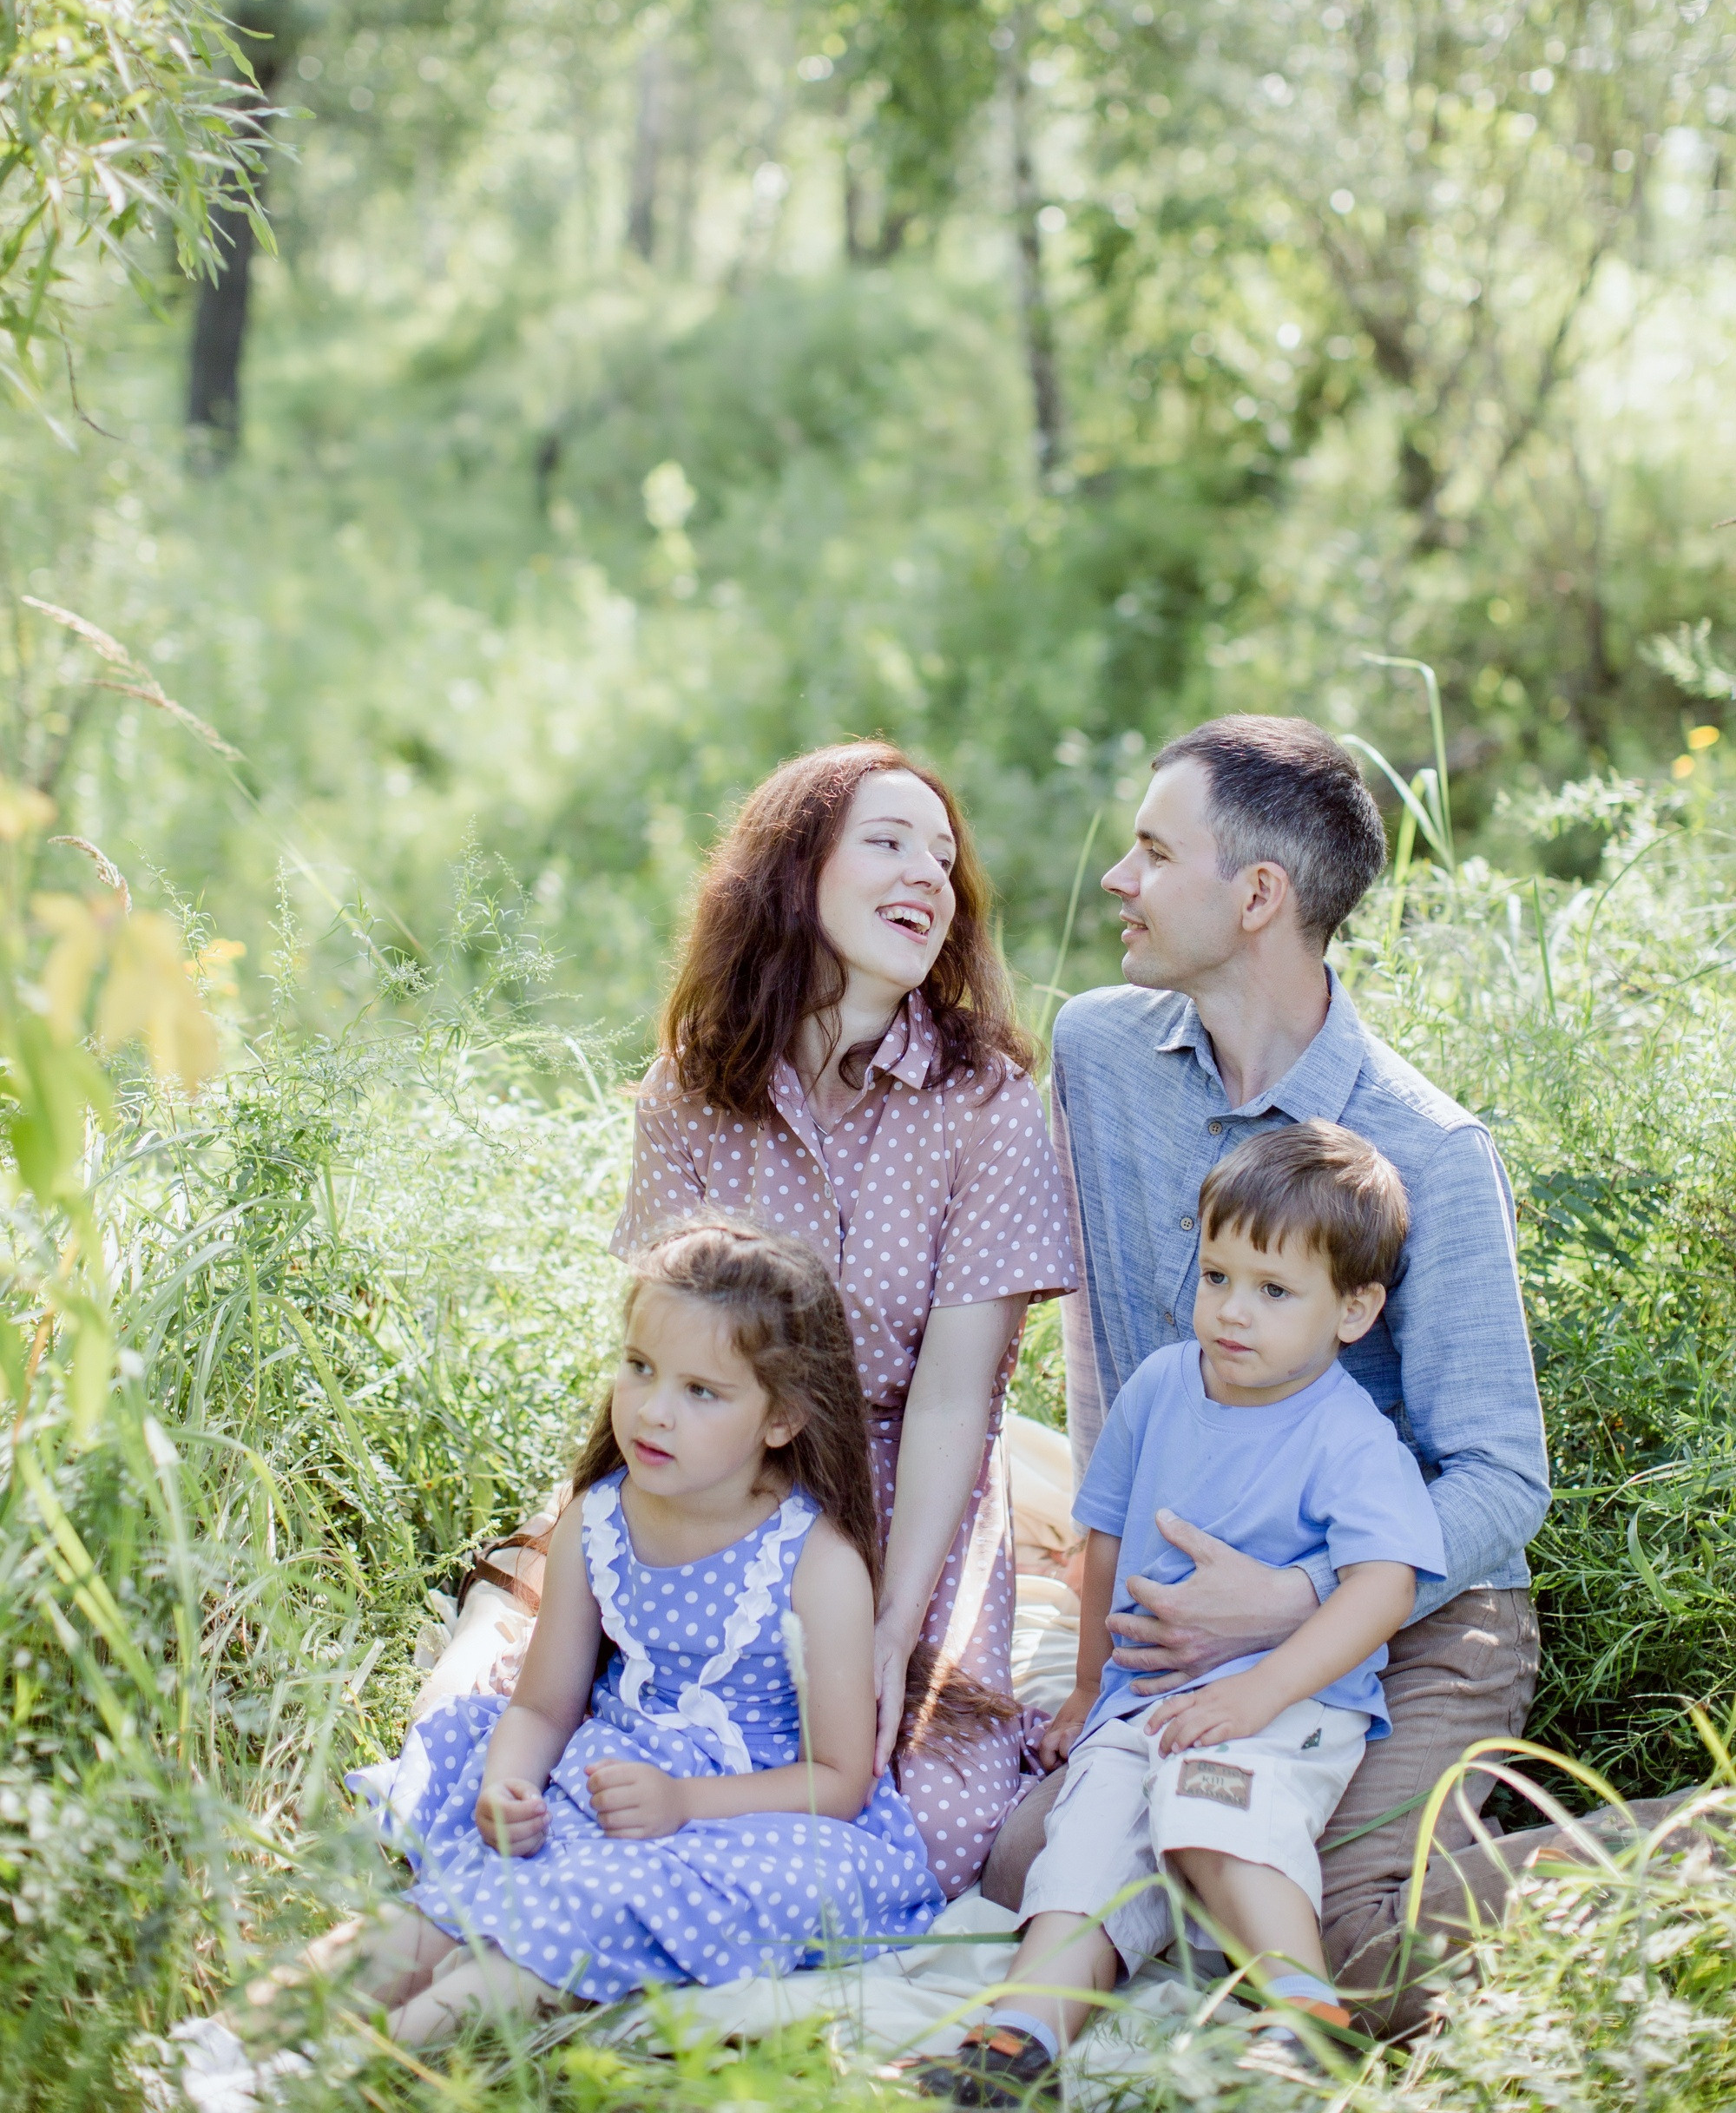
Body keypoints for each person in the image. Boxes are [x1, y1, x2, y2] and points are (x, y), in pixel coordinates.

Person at [983, 715, 1555, 2035]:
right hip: (1187, 1614)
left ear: (1257, 897)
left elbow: (1501, 1477)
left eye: (1149, 849)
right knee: (1028, 1873)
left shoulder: (1427, 1151)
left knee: (1354, 1949)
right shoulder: (1102, 1053)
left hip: (1405, 1609)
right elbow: (1111, 1358)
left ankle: (1688, 1864)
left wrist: (1296, 1602)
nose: (1118, 880)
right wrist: (1115, 1616)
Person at [470, 741, 1075, 1898]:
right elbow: (663, 1349)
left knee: (922, 1826)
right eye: (889, 843)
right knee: (573, 1746)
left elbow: (957, 1394)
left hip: (909, 1491)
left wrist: (895, 1629)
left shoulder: (985, 1097)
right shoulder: (696, 1084)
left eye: (945, 859)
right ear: (796, 873)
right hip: (721, 1475)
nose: (929, 878)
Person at [286, 1221, 945, 2047]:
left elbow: (840, 1780)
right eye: (640, 1368)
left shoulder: (815, 1560)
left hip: (758, 1824)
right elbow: (542, 1706)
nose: (653, 1411)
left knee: (546, 1935)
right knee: (443, 1918)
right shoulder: (597, 1519)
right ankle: (229, 2046)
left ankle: (330, 2071)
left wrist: (684, 1804)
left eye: (702, 1391)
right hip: (609, 1784)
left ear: (780, 1420)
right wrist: (507, 1783)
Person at [907, 1121, 1443, 2105]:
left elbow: (1384, 1586)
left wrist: (1256, 1698)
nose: (1232, 1312)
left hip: (1277, 1707)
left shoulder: (1347, 1436)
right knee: (1084, 1843)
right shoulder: (1159, 1385)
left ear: (1353, 1309)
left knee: (1207, 1808)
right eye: (1215, 1277)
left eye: (1273, 1292)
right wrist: (1080, 1693)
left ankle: (1300, 2014)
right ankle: (1020, 2037)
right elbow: (1104, 1540)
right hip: (1140, 1700)